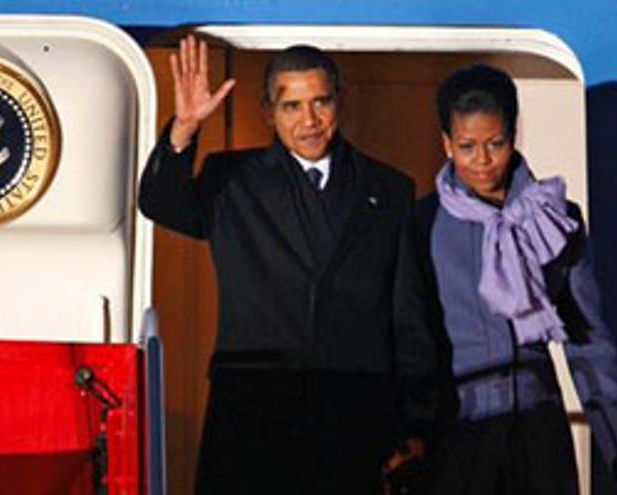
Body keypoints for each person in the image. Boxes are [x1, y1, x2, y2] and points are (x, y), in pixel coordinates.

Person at [138, 36, 456, 494]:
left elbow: (406, 314)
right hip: (252, 419)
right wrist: (183, 130)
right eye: (292, 107)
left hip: (353, 420)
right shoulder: (231, 180)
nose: (309, 121)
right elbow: (160, 203)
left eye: (320, 102)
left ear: (339, 103)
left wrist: (415, 422)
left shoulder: (389, 189)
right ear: (269, 112)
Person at [415, 64, 617, 494]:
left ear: (514, 134)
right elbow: (411, 339)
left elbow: (589, 341)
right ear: (446, 143)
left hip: (540, 429)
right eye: (467, 146)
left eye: (495, 143)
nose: (482, 161)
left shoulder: (555, 217)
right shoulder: (422, 224)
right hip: (459, 432)